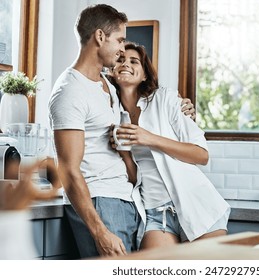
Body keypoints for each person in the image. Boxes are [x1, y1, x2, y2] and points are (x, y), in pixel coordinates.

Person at [48, 4, 195, 258]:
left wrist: (183, 108)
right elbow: (69, 171)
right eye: (119, 39)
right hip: (100, 204)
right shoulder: (69, 91)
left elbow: (140, 94)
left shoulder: (106, 83)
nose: (121, 48)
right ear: (100, 36)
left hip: (128, 201)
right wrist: (99, 231)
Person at [108, 42, 231, 249]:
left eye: (134, 61)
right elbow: (133, 178)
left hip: (198, 206)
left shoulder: (166, 99)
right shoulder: (112, 114)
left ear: (145, 75)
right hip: (156, 215)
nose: (126, 64)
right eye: (120, 60)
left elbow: (201, 155)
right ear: (112, 71)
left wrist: (149, 138)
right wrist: (124, 154)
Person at [0, 159, 61, 259]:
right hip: (18, 253)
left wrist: (33, 167)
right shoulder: (25, 193)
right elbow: (52, 194)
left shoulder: (16, 193)